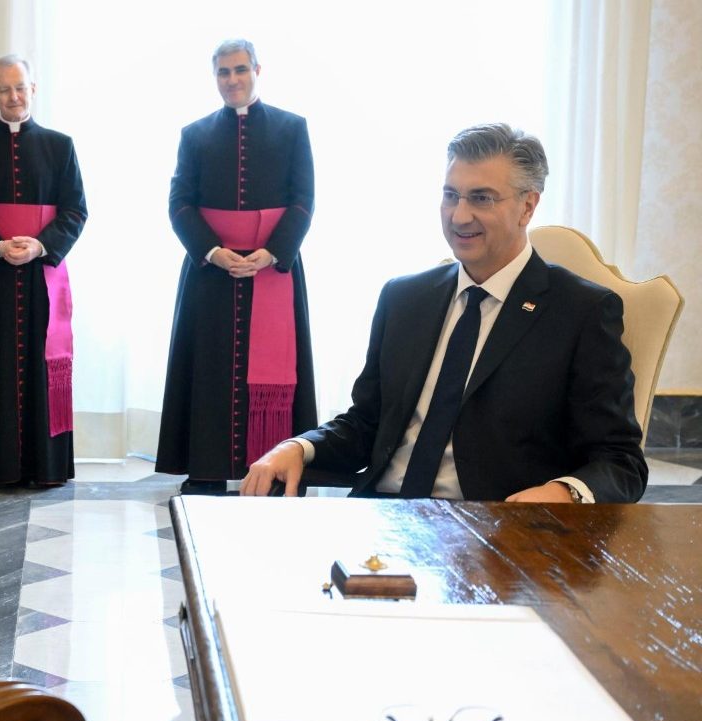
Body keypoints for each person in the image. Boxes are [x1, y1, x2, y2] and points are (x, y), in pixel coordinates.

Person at [242, 123, 647, 503]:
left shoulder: (580, 312)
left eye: (481, 198)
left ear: (527, 207)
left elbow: (620, 460)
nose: (459, 216)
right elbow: (367, 424)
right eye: (451, 195)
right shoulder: (404, 299)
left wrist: (563, 492)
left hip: (496, 534)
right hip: (380, 523)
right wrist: (298, 447)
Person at [156, 38, 317, 495]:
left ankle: (273, 470)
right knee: (207, 367)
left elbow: (304, 200)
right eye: (223, 72)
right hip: (212, 273)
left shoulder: (291, 128)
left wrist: (272, 252)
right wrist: (211, 250)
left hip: (275, 270)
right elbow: (179, 202)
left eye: (240, 70)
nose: (232, 80)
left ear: (257, 71)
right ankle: (206, 466)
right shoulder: (195, 133)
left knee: (274, 371)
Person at [0, 55, 88, 486]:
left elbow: (75, 211)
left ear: (33, 89)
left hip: (42, 276)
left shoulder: (60, 145)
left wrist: (40, 245)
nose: (13, 97)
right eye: (4, 89)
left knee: (42, 369)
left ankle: (43, 467)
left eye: (20, 87)